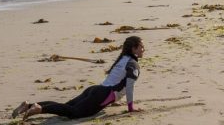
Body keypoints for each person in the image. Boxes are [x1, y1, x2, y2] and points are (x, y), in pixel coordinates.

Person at [11, 36, 144, 121]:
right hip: (103, 94)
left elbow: (115, 81)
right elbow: (129, 86)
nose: (144, 49)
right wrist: (130, 107)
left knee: (67, 106)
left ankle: (27, 105)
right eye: (141, 47)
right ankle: (39, 109)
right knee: (74, 113)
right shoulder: (133, 64)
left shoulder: (122, 59)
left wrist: (113, 99)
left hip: (96, 89)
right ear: (133, 49)